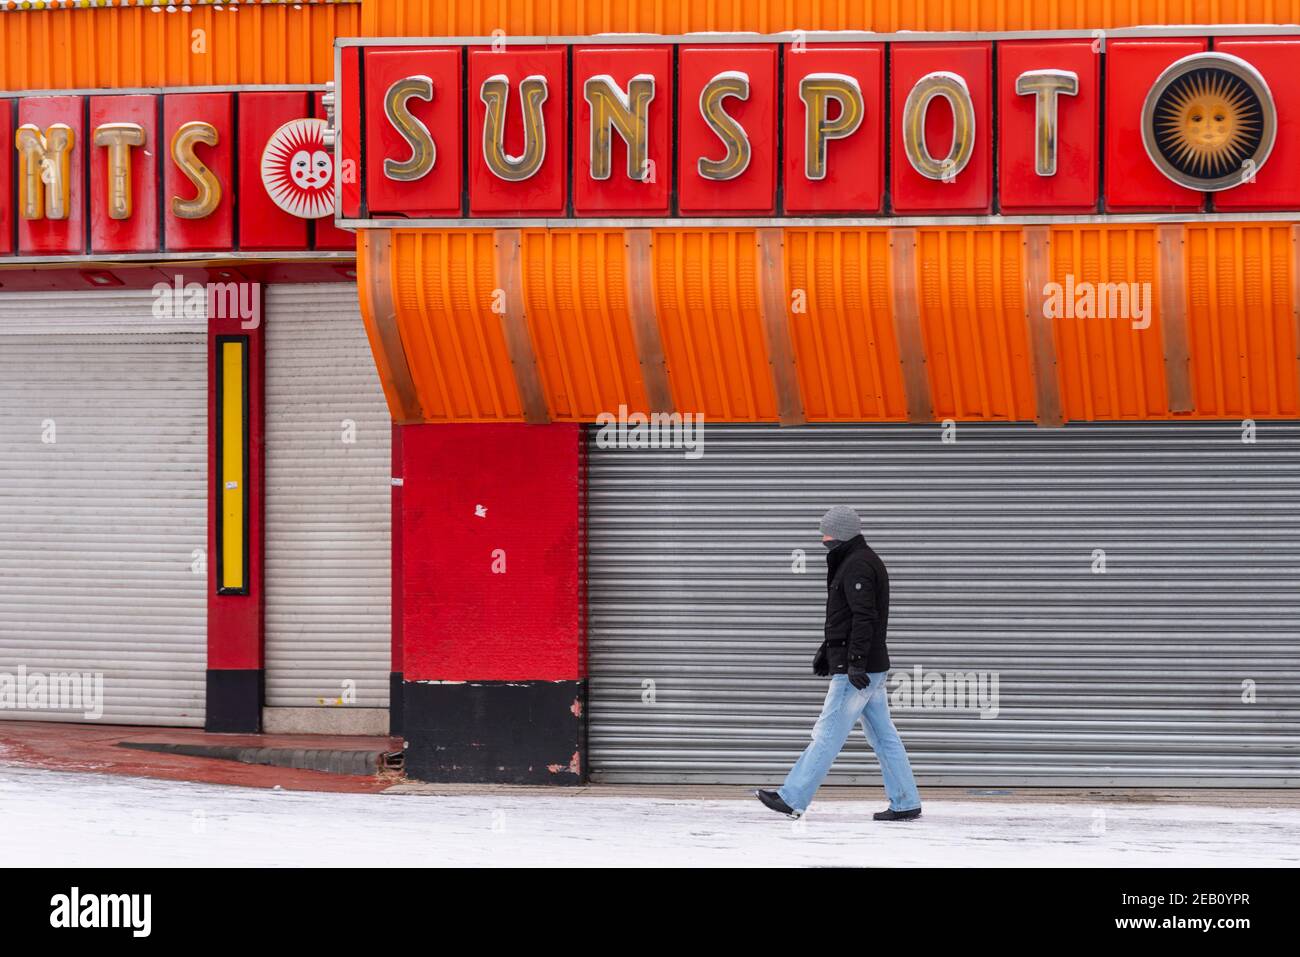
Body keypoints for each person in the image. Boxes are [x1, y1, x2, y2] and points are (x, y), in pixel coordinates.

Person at [756, 505, 922, 821]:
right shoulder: (853, 560)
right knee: (884, 736)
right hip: (865, 666)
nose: (824, 539)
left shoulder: (858, 565)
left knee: (827, 732)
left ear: (842, 533)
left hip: (857, 671)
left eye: (828, 532)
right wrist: (826, 651)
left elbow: (864, 618)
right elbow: (844, 618)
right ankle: (906, 801)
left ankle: (792, 797)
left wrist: (855, 662)